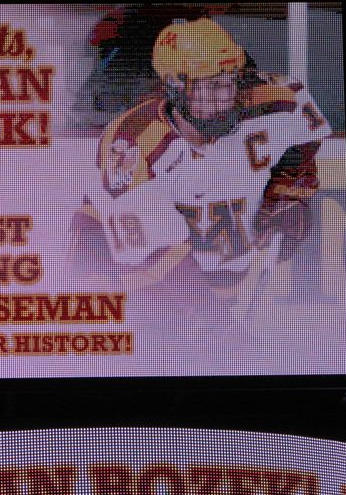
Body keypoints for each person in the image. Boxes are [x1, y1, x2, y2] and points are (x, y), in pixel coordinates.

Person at [69, 16, 332, 314]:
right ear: (174, 87)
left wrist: (288, 194)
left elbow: (302, 135)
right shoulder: (133, 143)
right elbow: (154, 259)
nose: (224, 101)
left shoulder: (275, 101)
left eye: (228, 83)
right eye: (209, 88)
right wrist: (208, 324)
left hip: (223, 267)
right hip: (137, 281)